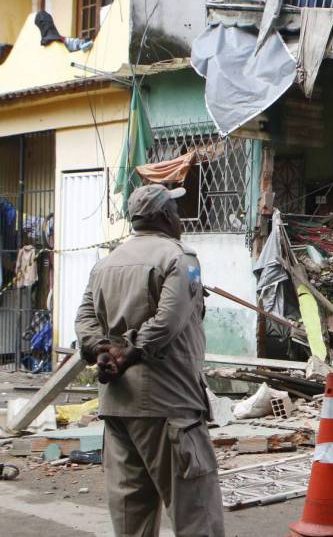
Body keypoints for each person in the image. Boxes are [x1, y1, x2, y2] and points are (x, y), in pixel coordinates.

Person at [75, 184, 224, 537]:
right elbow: (168, 321)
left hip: (118, 409)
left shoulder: (105, 264)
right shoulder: (180, 259)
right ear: (164, 217)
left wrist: (102, 350)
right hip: (168, 406)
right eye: (174, 209)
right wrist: (130, 350)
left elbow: (83, 321)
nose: (179, 216)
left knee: (131, 519)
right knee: (196, 515)